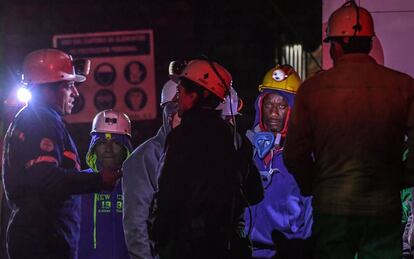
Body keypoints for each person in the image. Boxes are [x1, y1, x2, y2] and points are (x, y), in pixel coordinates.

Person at [283, 2, 414, 258]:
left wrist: (315, 184)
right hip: (382, 208)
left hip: (333, 208)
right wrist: (402, 178)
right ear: (368, 42)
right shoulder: (403, 86)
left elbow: (294, 154)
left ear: (337, 44)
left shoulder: (312, 90)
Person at [2, 49, 122, 259]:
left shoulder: (39, 118)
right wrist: (98, 180)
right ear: (47, 89)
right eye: (69, 86)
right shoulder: (40, 121)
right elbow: (46, 177)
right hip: (43, 240)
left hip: (44, 237)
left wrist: (91, 175)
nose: (75, 93)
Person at [152, 59, 262, 259]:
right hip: (225, 246)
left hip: (186, 248)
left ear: (194, 96)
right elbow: (255, 193)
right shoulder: (234, 138)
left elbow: (167, 196)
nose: (177, 99)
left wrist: (161, 237)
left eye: (181, 92)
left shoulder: (181, 138)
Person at [244, 65, 313, 259]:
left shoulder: (303, 155)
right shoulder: (247, 150)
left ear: (293, 109)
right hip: (250, 252)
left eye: (282, 106)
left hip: (288, 252)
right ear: (260, 105)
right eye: (269, 105)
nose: (273, 113)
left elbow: (311, 207)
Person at [122, 79, 180, 259]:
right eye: (181, 114)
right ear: (169, 115)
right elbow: (136, 223)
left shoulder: (203, 152)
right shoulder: (144, 158)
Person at [78, 110, 133, 259]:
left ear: (126, 147)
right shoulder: (78, 183)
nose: (108, 149)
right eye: (102, 142)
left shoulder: (137, 184)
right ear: (93, 147)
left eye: (115, 142)